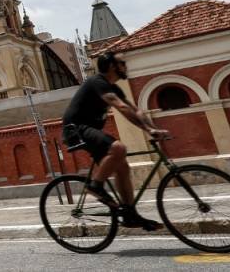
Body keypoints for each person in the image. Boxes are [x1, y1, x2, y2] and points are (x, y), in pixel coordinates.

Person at [62, 51, 169, 231]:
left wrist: (154, 128)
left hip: (92, 130)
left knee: (123, 167)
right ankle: (95, 186)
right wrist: (148, 130)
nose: (125, 66)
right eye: (122, 63)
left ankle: (129, 214)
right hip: (77, 129)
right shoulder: (98, 82)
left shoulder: (114, 87)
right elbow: (120, 107)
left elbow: (135, 110)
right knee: (119, 148)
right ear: (113, 66)